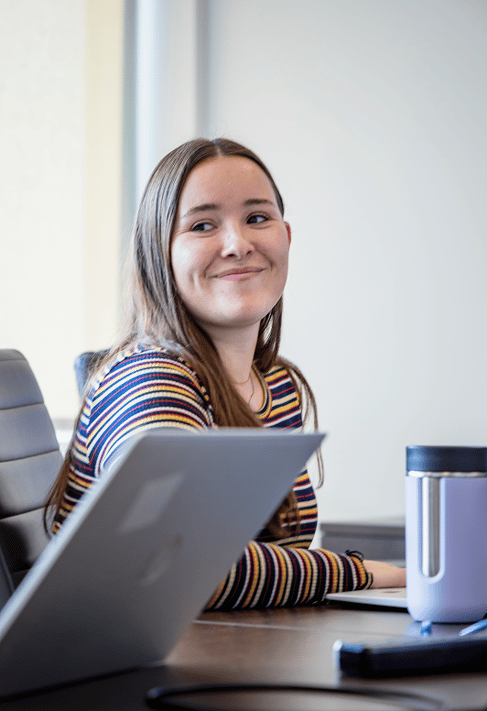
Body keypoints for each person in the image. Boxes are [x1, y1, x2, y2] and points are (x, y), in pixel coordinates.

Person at [45, 137, 405, 609]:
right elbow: (180, 565)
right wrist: (364, 573)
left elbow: (272, 560)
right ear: (161, 252)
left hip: (231, 652)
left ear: (287, 237)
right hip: (121, 670)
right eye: (202, 225)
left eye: (257, 218)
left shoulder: (276, 383)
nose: (238, 244)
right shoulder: (151, 381)